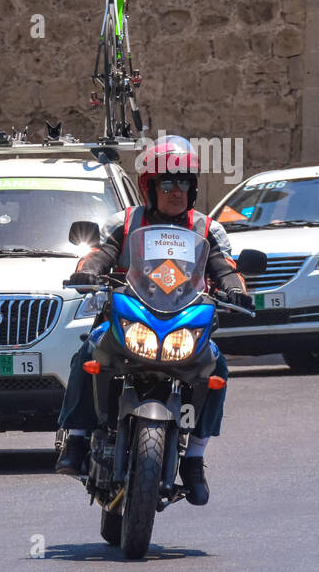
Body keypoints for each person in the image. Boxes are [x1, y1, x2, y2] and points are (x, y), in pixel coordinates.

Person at [53, 134, 250, 506]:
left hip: (185, 324)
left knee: (218, 368)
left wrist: (235, 288)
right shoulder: (125, 222)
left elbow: (224, 266)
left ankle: (195, 458)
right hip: (131, 317)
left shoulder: (208, 229)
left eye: (184, 183)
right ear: (150, 186)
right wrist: (87, 271)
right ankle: (77, 436)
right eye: (168, 182)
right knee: (88, 354)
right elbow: (100, 253)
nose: (177, 191)